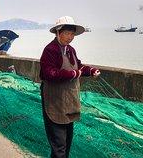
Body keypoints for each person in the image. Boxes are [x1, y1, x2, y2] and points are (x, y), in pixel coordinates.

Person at [40, 16, 100, 158]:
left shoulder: (70, 49)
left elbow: (78, 66)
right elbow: (49, 73)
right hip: (54, 101)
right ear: (58, 32)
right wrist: (73, 73)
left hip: (69, 100)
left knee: (67, 140)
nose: (70, 37)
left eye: (72, 34)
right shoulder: (50, 50)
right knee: (58, 144)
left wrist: (91, 71)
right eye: (67, 33)